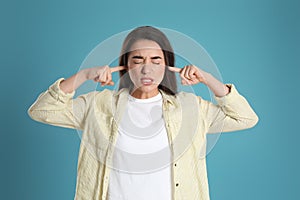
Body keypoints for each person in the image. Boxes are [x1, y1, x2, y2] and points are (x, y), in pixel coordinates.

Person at [28, 26, 259, 200]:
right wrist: (85, 75)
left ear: (167, 66)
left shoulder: (191, 108)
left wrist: (207, 78)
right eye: (137, 60)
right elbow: (42, 110)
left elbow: (245, 118)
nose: (147, 68)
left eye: (156, 60)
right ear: (126, 65)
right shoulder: (98, 105)